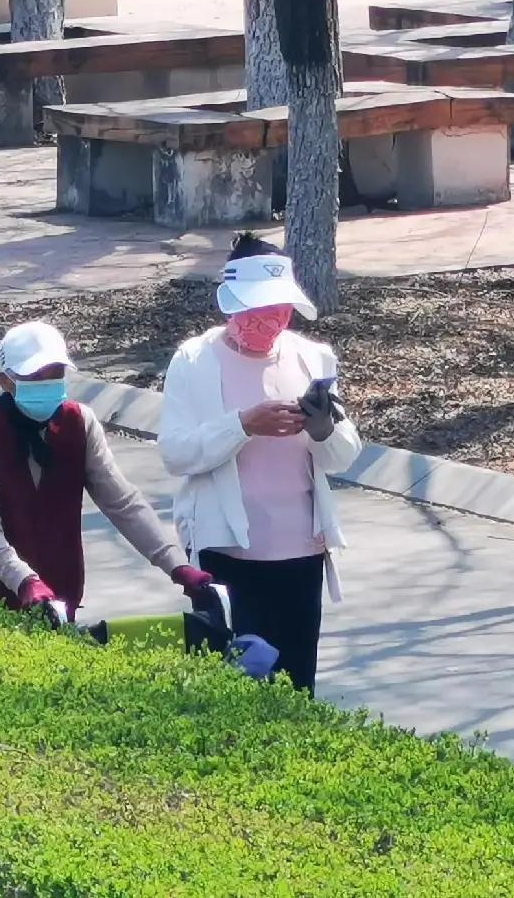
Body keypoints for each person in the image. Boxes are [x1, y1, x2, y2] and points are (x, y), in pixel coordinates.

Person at [159, 235, 362, 693]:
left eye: (280, 310)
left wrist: (323, 429)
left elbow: (343, 455)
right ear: (231, 306)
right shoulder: (194, 361)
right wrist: (243, 425)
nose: (269, 321)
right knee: (240, 684)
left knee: (296, 685)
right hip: (229, 554)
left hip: (301, 552)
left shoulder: (312, 358)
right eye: (257, 310)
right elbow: (176, 452)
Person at [0, 319, 219, 625]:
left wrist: (176, 565)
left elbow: (123, 503)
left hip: (58, 593)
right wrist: (23, 579)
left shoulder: (80, 423)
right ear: (5, 381)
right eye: (35, 376)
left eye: (55, 374)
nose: (47, 383)